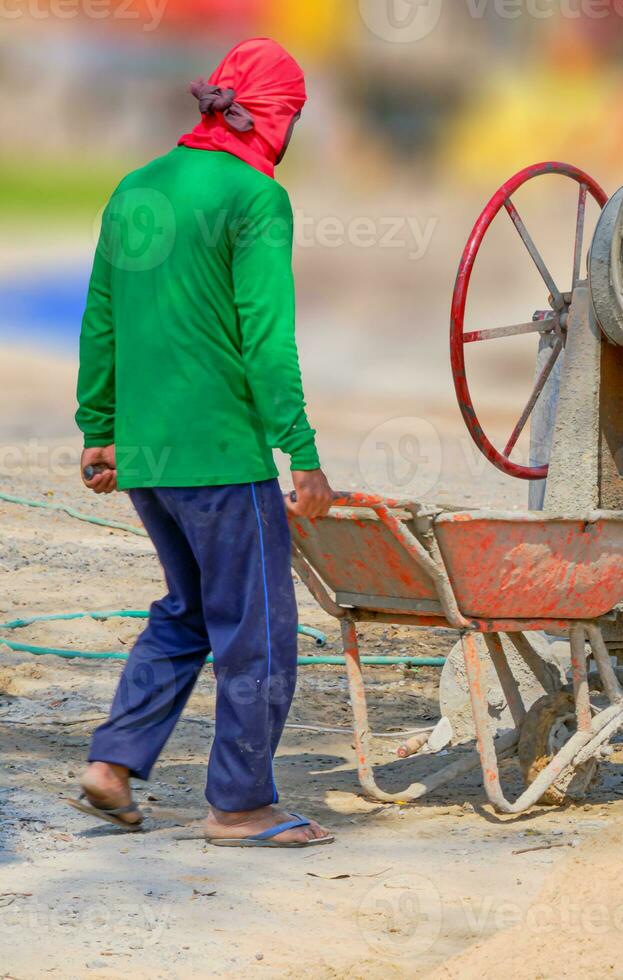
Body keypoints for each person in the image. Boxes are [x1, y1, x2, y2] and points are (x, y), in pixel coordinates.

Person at [70, 38, 335, 847]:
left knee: (185, 613)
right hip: (223, 459)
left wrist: (100, 429)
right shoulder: (255, 196)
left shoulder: (136, 188)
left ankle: (112, 765)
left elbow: (102, 319)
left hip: (149, 458)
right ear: (277, 116)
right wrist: (304, 452)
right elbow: (267, 341)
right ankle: (241, 804)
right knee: (256, 632)